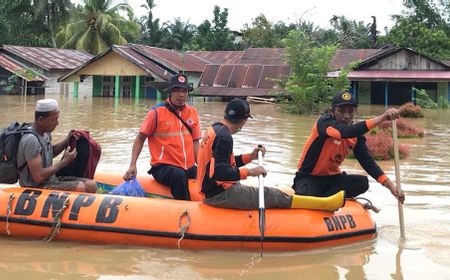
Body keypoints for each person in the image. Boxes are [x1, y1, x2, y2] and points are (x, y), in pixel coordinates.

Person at [197, 98, 345, 210]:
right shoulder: (225, 137)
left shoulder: (215, 129)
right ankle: (324, 204)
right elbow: (220, 173)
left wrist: (250, 157)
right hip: (220, 195)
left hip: (213, 190)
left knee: (271, 191)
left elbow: (222, 163)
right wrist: (251, 171)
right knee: (272, 195)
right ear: (243, 121)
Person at [292, 90, 405, 203]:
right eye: (341, 111)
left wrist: (391, 187)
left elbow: (368, 162)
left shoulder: (356, 136)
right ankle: (320, 200)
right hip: (309, 177)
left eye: (350, 112)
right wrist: (383, 117)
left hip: (333, 179)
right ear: (333, 111)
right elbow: (344, 132)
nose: (346, 116)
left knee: (362, 183)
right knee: (306, 197)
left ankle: (324, 200)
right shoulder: (324, 124)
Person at [123, 74, 201, 200]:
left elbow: (196, 142)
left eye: (184, 91)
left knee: (208, 176)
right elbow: (140, 139)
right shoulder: (156, 112)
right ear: (169, 92)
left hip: (188, 166)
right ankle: (185, 211)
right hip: (163, 167)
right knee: (179, 175)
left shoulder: (192, 112)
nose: (181, 95)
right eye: (177, 90)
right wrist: (133, 164)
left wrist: (202, 168)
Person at [17, 99, 97, 193]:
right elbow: (38, 176)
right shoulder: (31, 140)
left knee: (91, 185)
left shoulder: (46, 133)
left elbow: (51, 152)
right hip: (36, 186)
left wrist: (68, 139)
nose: (57, 123)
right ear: (41, 120)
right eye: (53, 120)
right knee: (80, 187)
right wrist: (64, 162)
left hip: (51, 180)